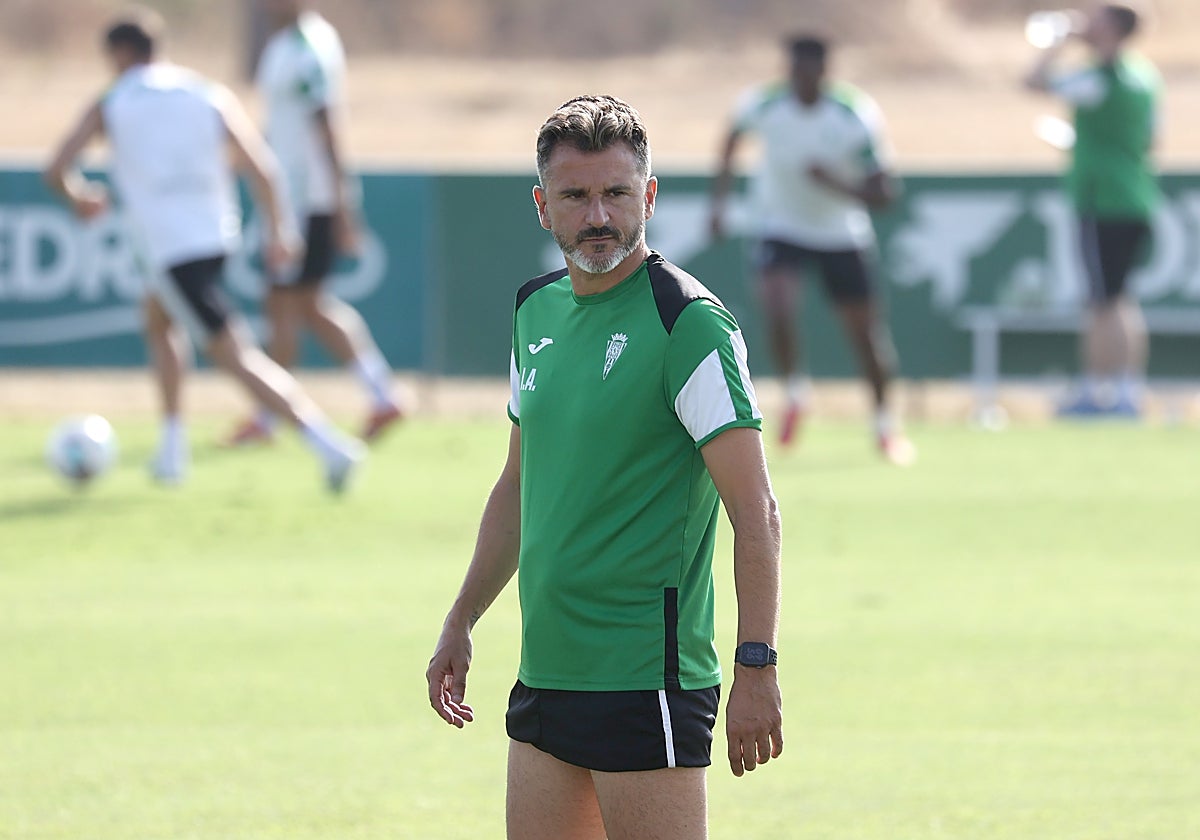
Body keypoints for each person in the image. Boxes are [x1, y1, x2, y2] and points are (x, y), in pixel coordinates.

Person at [426, 96, 784, 839]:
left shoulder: (688, 323)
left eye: (616, 193)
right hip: (545, 672)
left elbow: (756, 513)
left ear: (648, 196)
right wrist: (461, 619)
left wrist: (757, 665)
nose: (598, 216)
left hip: (645, 680)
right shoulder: (534, 311)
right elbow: (518, 486)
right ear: (542, 206)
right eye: (575, 196)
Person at [44, 7, 364, 491]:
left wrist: (79, 197)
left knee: (236, 356)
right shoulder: (206, 92)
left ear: (120, 54)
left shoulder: (113, 98)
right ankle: (172, 451)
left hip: (171, 250)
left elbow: (57, 168)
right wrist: (280, 230)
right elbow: (263, 166)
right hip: (215, 237)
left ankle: (329, 446)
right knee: (158, 319)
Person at [710, 35, 914, 465]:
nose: (800, 80)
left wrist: (835, 183)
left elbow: (885, 191)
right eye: (794, 71)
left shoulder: (853, 114)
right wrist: (719, 204)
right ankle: (795, 393)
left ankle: (884, 426)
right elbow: (731, 138)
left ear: (824, 72)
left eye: (809, 72)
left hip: (840, 233)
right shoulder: (765, 104)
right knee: (776, 306)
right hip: (780, 225)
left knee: (865, 335)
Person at [224, 0, 403, 446]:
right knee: (305, 304)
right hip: (289, 198)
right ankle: (382, 394)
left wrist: (343, 203)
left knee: (283, 303)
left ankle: (268, 416)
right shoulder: (283, 44)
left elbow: (328, 127)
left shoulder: (309, 48)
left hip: (304, 201)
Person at [1024, 3, 1160, 417]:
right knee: (1119, 299)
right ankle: (1125, 391)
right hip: (1135, 195)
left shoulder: (1099, 77)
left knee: (1102, 302)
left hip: (1103, 200)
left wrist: (1058, 42)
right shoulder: (1145, 77)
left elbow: (1033, 82)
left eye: (1098, 19)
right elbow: (1150, 140)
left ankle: (1099, 391)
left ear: (1113, 30)